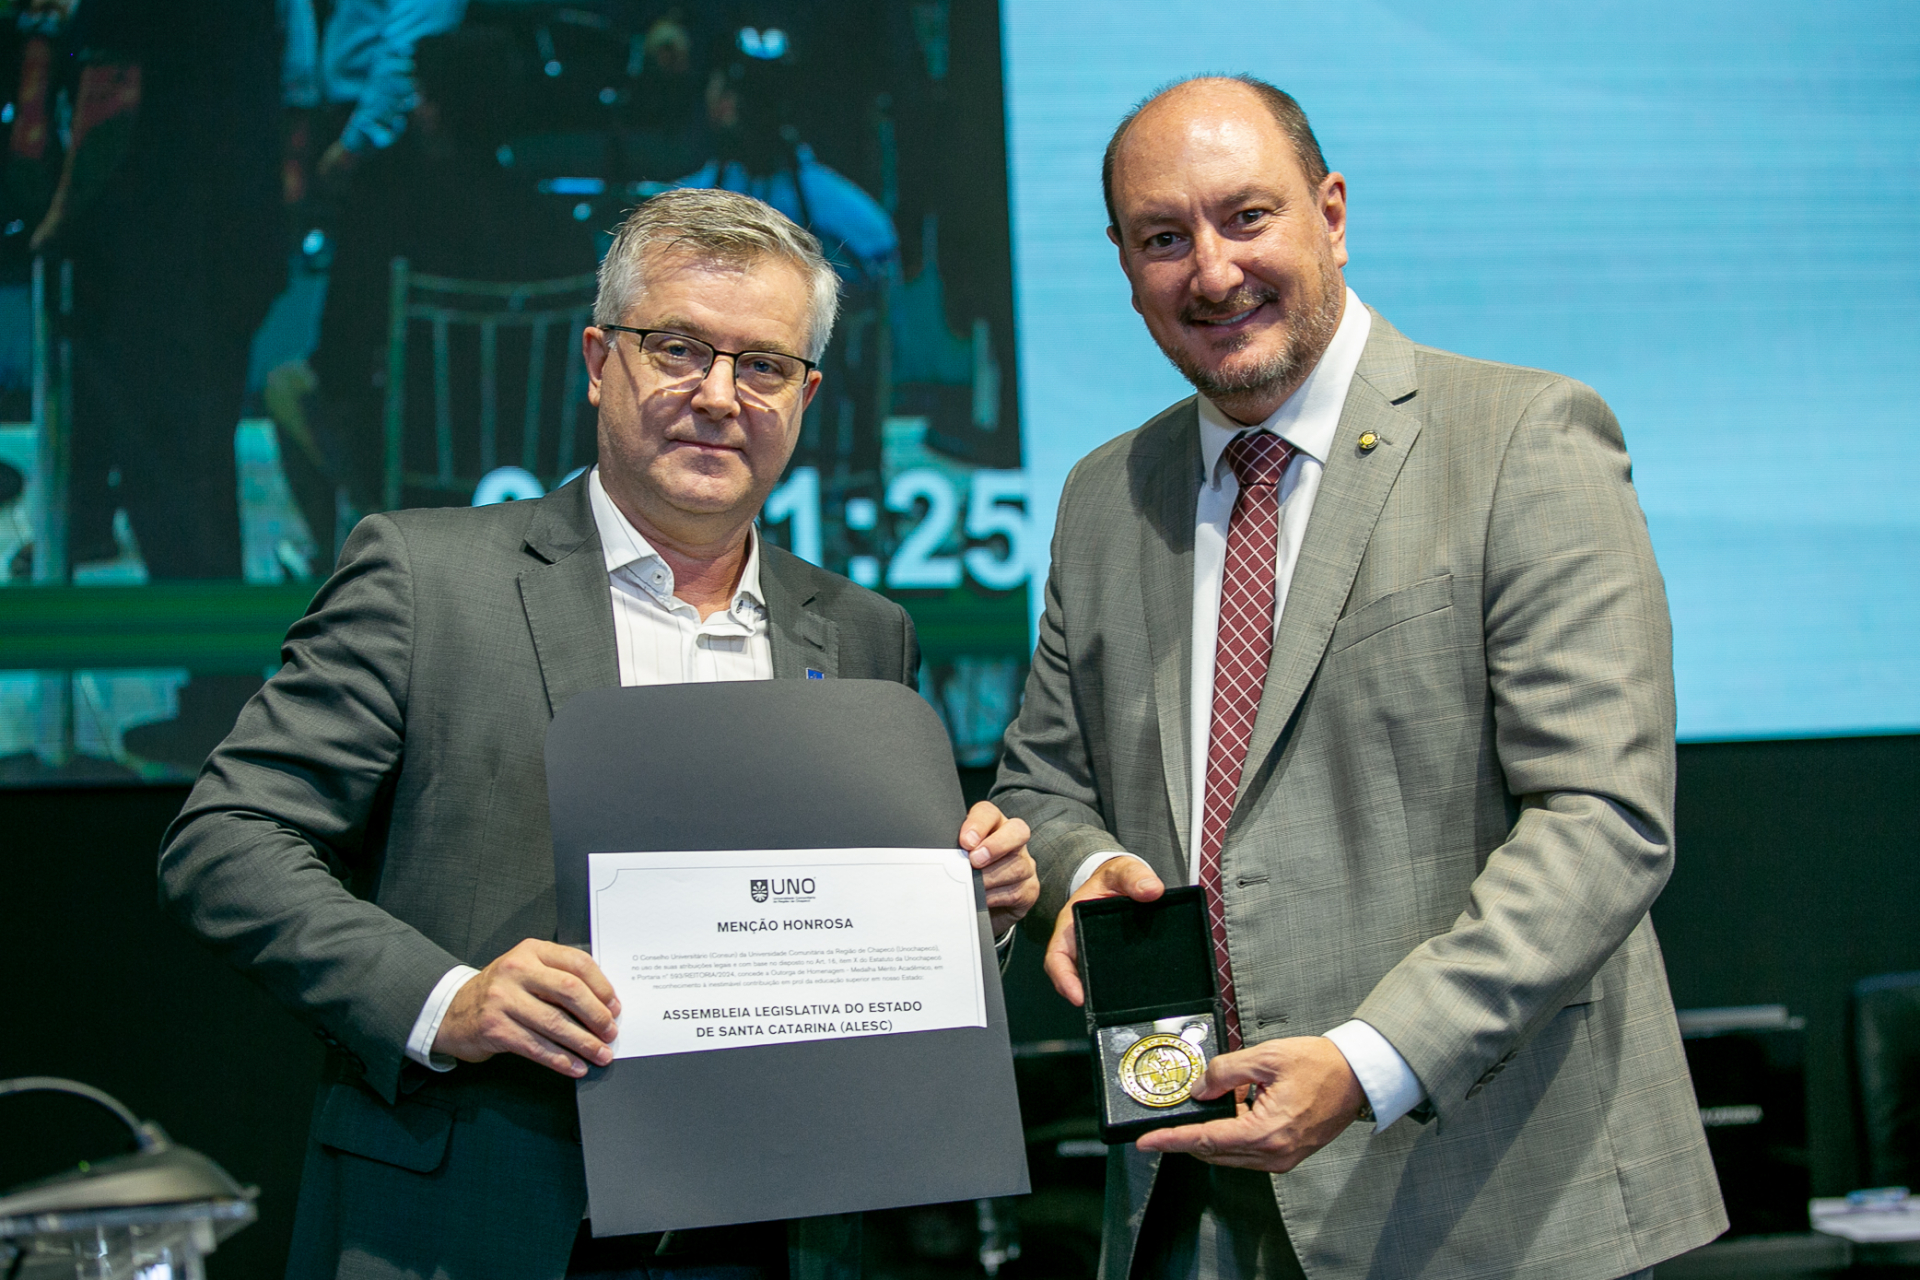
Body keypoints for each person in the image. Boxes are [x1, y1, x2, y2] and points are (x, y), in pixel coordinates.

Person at [159, 187, 1039, 1280]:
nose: (718, 395)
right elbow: (227, 841)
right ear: (596, 359)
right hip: (476, 1224)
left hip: (778, 1234)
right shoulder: (426, 576)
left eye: (764, 366)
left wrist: (970, 908)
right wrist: (447, 998)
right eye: (678, 349)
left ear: (806, 394)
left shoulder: (866, 632)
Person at [991, 76, 1725, 1280]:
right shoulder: (1102, 498)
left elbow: (1604, 820)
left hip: (1489, 1205)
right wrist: (1083, 868)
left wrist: (1373, 1057)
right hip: (1193, 1209)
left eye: (1247, 217)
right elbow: (1041, 784)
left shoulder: (1524, 437)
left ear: (1331, 213)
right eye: (1163, 237)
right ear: (1123, 265)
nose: (1212, 271)